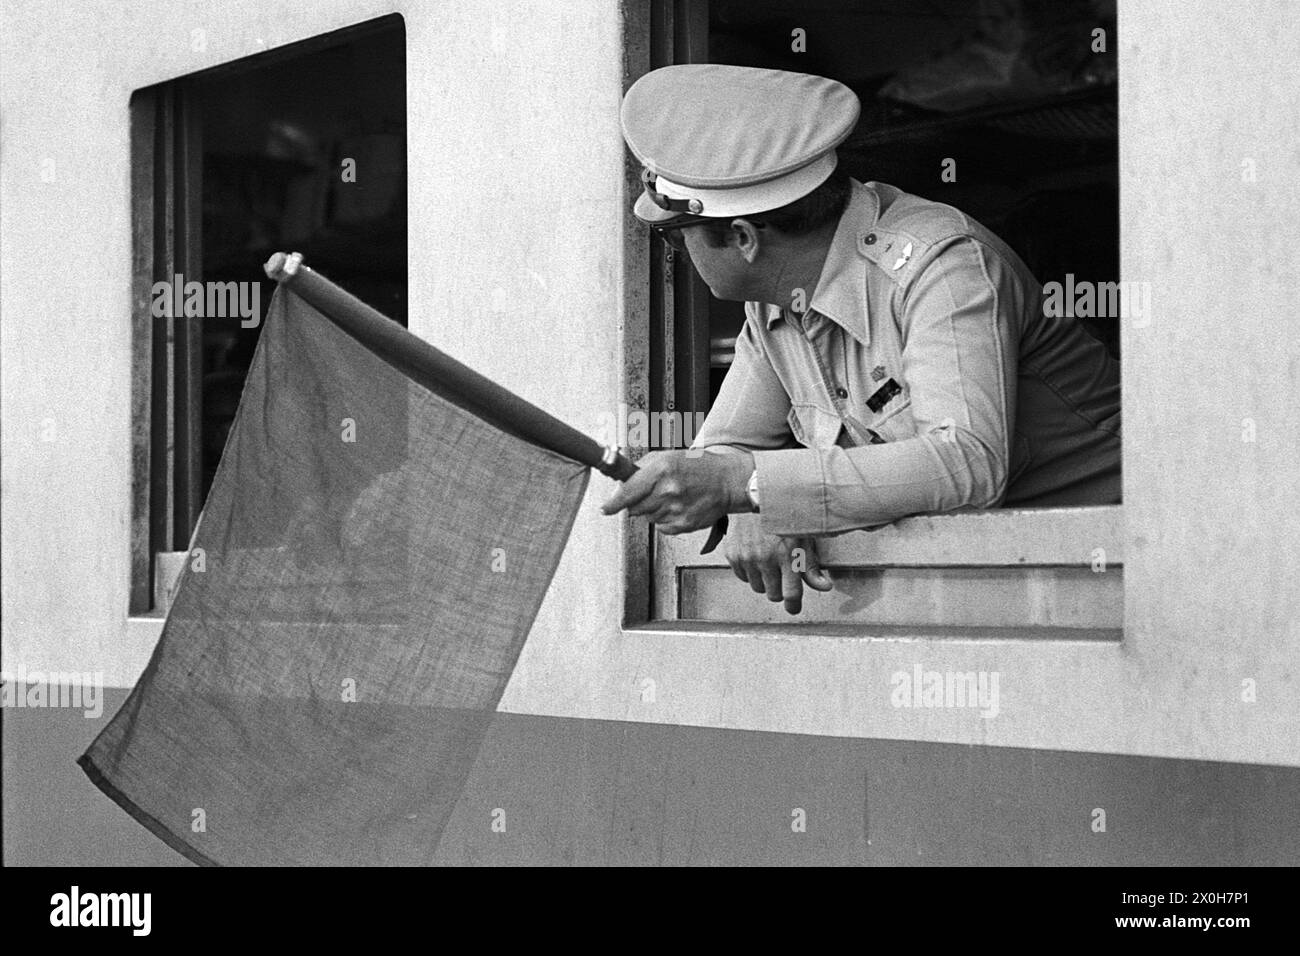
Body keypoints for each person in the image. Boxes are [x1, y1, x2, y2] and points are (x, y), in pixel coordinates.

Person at [602, 64, 1121, 614]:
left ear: (743, 238)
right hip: (992, 581)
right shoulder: (775, 300)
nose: (678, 258)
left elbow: (968, 463)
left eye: (676, 241)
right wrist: (759, 502)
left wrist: (751, 486)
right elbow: (729, 448)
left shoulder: (942, 266)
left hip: (1116, 570)